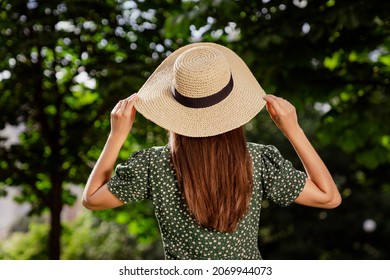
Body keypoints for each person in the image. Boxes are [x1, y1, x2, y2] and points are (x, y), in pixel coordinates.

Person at [82, 42, 341, 260]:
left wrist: (117, 135)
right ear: (233, 105)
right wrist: (293, 130)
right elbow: (328, 198)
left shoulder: (153, 164)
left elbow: (92, 199)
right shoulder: (258, 160)